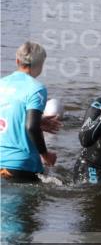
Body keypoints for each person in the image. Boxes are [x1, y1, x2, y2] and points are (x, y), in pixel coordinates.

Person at [0, 42, 58, 183]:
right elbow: (31, 127)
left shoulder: (2, 83)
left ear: (17, 61)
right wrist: (45, 155)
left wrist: (38, 120)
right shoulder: (36, 89)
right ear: (39, 65)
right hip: (21, 165)